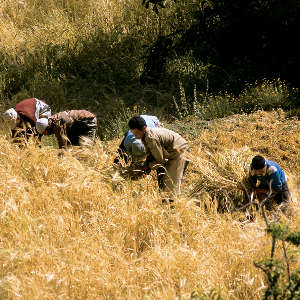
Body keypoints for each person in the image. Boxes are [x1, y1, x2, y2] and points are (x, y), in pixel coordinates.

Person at [128, 116, 189, 202]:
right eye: (133, 133)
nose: (135, 136)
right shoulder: (144, 135)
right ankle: (168, 207)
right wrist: (145, 166)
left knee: (170, 188)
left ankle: (172, 210)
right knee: (166, 184)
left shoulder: (150, 137)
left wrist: (146, 168)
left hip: (181, 152)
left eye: (137, 133)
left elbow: (160, 160)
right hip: (173, 153)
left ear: (144, 128)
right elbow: (152, 154)